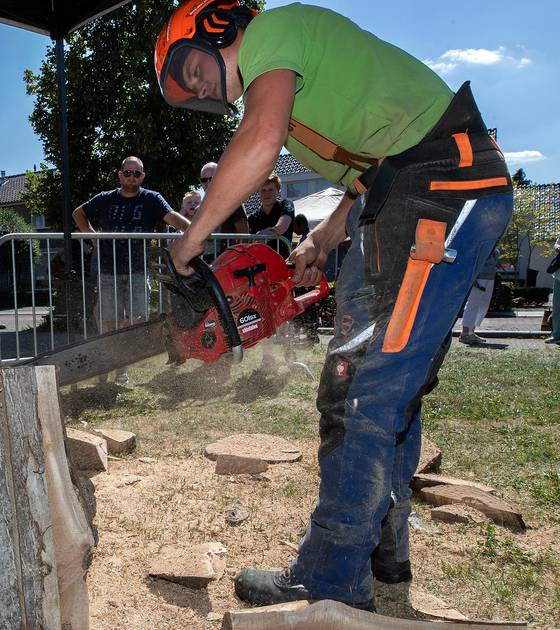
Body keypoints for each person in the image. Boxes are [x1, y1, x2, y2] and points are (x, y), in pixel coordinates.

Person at [158, 0, 513, 611]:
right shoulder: (295, 103)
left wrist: (190, 241)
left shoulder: (275, 32)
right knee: (383, 389)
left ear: (217, 26)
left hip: (440, 181)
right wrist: (324, 238)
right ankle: (382, 560)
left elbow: (259, 141)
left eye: (192, 70)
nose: (199, 87)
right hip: (416, 186)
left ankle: (330, 579)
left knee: (361, 391)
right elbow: (368, 177)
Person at [73, 156, 190, 384]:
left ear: (142, 177)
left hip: (138, 270)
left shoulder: (151, 198)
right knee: (108, 321)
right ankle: (111, 367)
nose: (131, 177)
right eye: (127, 173)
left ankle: (120, 365)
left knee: (138, 319)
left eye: (136, 174)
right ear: (120, 175)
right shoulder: (106, 198)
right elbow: (78, 213)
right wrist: (93, 237)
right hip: (108, 270)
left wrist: (195, 230)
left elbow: (172, 217)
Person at [458, 251, 498, 345]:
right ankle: (465, 333)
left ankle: (471, 333)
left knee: (483, 306)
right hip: (479, 277)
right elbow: (471, 260)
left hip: (490, 277)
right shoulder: (482, 244)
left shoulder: (494, 246)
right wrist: (473, 278)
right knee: (473, 304)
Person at [201, 162, 250, 235]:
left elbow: (244, 235)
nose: (208, 182)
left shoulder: (233, 204)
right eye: (204, 180)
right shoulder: (199, 209)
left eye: (211, 179)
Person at [249, 172, 295, 238]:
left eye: (270, 190)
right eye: (263, 190)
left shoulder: (286, 205)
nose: (267, 193)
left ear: (278, 190)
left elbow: (281, 227)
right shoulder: (252, 218)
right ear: (258, 191)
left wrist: (259, 236)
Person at [547, 235, 560, 346]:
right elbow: (556, 245)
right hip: (559, 279)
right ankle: (556, 335)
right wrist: (558, 247)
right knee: (557, 308)